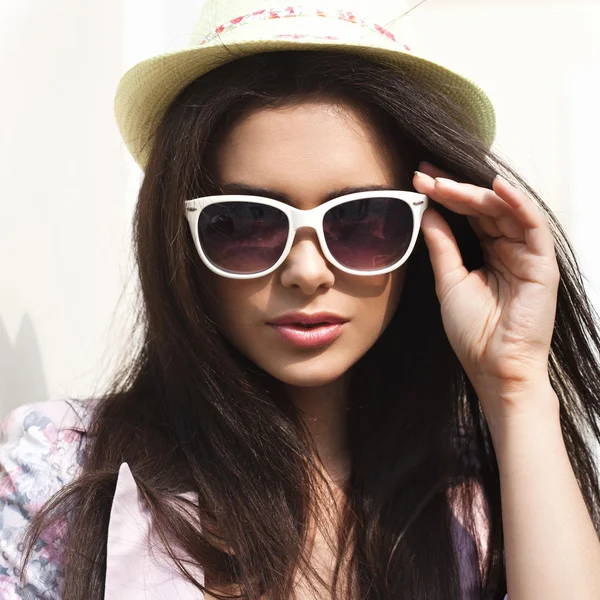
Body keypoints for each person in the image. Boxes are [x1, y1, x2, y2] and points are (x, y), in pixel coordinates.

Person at [1, 1, 600, 599]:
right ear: (179, 241)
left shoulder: (488, 493)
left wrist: (516, 381)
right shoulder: (62, 480)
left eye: (364, 221)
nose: (307, 273)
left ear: (425, 234)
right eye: (245, 224)